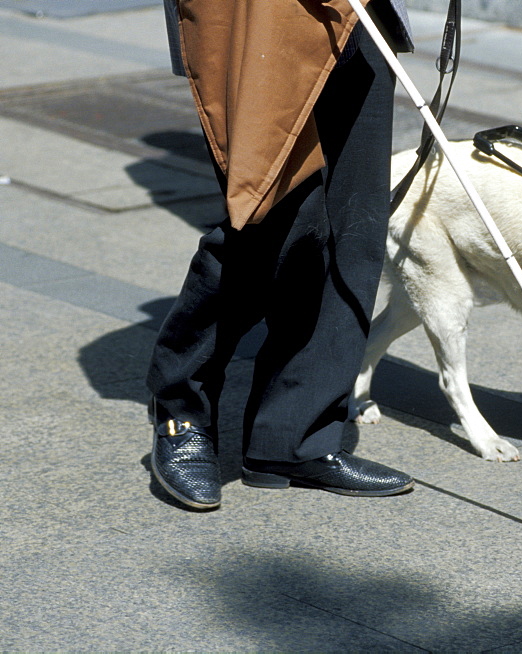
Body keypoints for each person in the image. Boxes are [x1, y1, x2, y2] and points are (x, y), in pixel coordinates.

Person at [148, 0, 415, 510]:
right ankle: (180, 403)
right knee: (273, 216)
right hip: (261, 15)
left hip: (363, 14)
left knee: (353, 228)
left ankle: (293, 436)